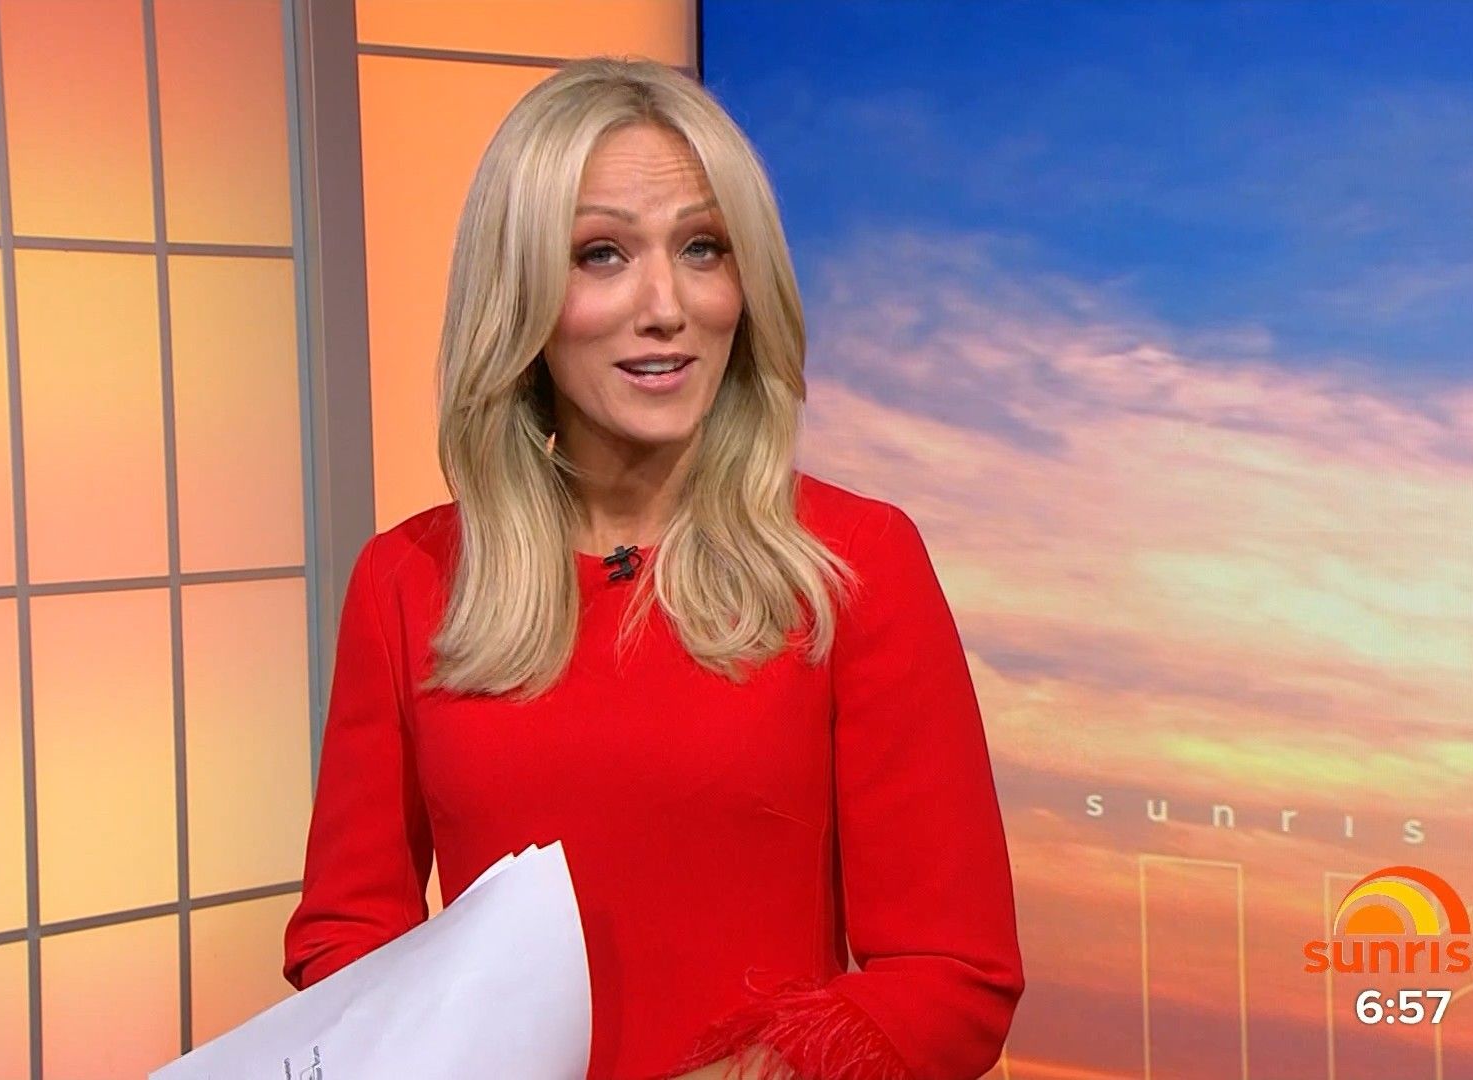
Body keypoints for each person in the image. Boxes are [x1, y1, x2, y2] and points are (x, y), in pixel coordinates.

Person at [281, 56, 1024, 1080]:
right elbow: (346, 935)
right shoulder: (405, 581)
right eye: (602, 254)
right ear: (521, 295)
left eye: (703, 247)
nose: (666, 305)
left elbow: (954, 975)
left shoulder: (855, 563)